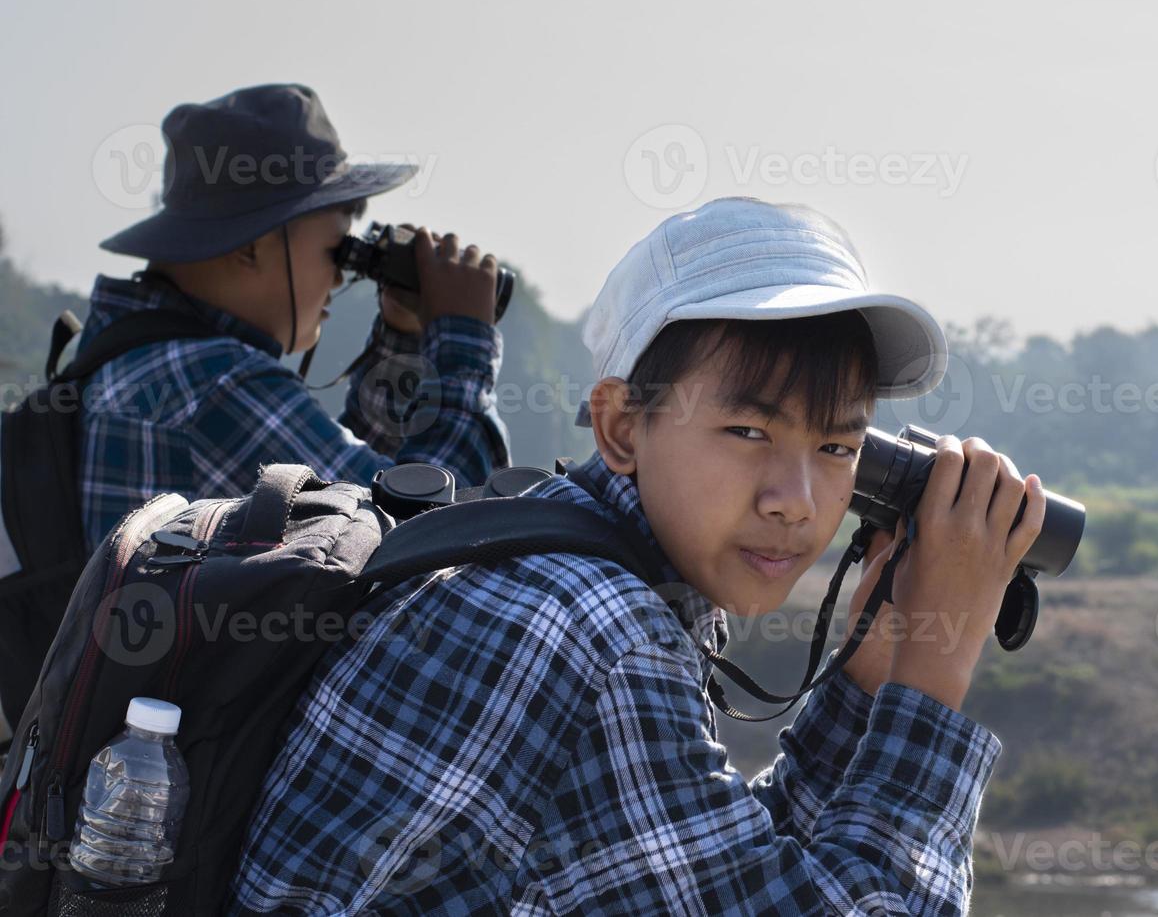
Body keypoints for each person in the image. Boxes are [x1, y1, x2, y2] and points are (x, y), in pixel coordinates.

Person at [228, 196, 1044, 915]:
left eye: (838, 446)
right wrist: (935, 669)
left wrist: (871, 668)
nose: (795, 499)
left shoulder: (556, 551)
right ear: (622, 427)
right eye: (749, 432)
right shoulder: (596, 626)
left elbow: (727, 878)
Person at [78, 82, 509, 547]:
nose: (341, 278)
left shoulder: (135, 355)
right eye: (336, 250)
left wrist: (402, 342)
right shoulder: (215, 382)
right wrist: (465, 342)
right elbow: (412, 539)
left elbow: (343, 492)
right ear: (250, 247)